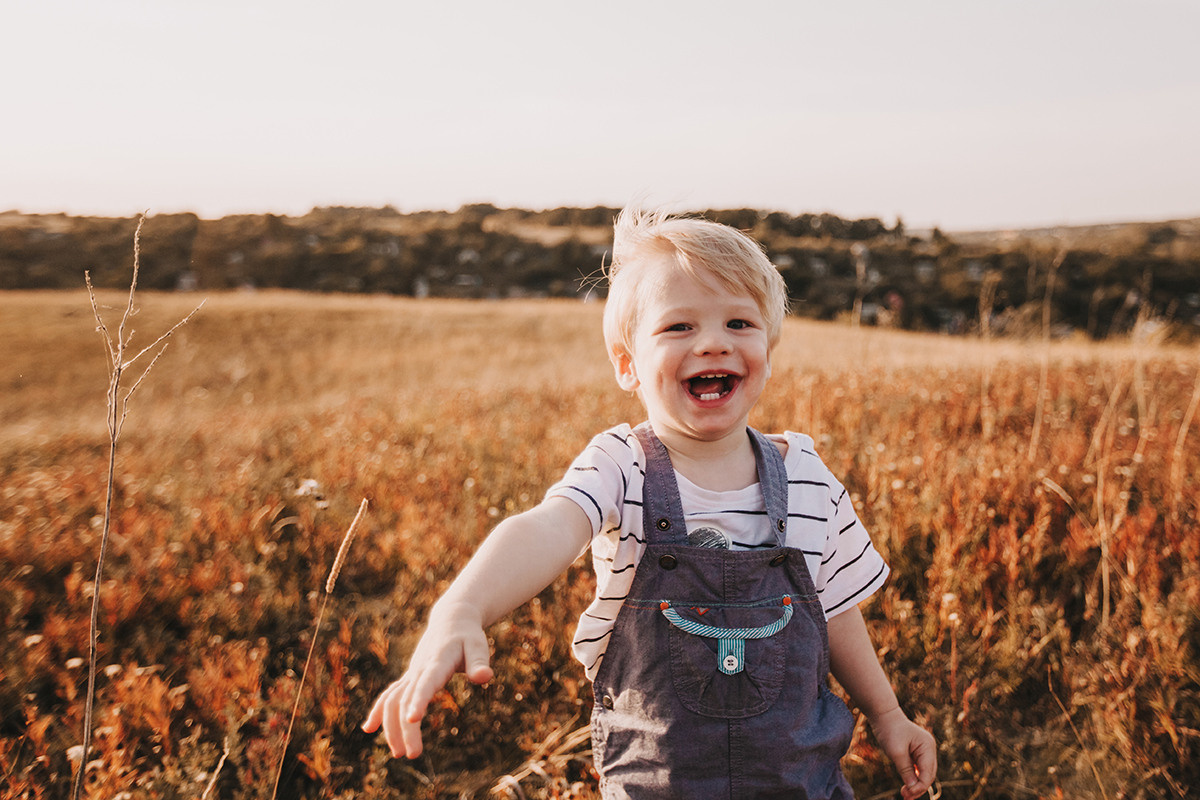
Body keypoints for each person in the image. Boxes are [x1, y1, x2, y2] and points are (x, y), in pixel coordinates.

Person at [363, 207, 937, 799]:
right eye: (678, 327)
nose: (713, 342)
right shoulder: (621, 466)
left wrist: (889, 715)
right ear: (627, 364)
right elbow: (547, 527)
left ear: (770, 345)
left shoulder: (807, 476)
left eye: (740, 323)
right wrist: (461, 607)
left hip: (800, 785)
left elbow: (836, 612)